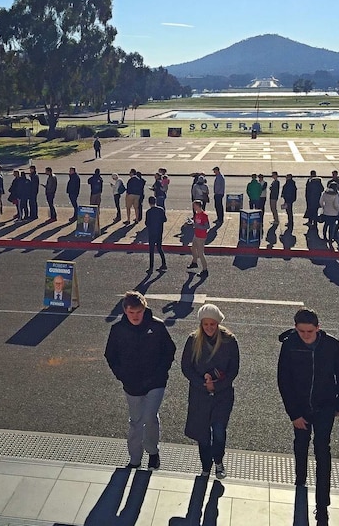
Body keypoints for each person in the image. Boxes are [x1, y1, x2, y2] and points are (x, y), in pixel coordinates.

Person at [277, 308, 339, 525]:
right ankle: (300, 479)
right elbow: (284, 381)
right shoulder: (290, 345)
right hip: (300, 408)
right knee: (301, 444)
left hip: (325, 407)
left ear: (318, 328)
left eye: (309, 331)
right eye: (301, 331)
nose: (306, 335)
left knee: (322, 452)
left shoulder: (331, 345)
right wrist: (294, 414)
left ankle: (322, 505)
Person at [104, 291, 176, 470]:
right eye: (131, 313)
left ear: (144, 309)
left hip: (155, 382)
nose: (135, 316)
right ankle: (135, 459)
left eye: (138, 312)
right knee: (136, 421)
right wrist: (122, 375)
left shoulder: (157, 327)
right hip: (132, 384)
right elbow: (110, 355)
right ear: (125, 311)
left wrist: (161, 373)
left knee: (150, 416)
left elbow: (169, 350)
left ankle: (152, 452)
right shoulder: (118, 330)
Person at [181, 304, 239, 479]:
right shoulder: (193, 340)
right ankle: (206, 466)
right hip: (200, 395)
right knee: (203, 434)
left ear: (218, 323)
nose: (209, 328)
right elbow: (186, 368)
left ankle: (218, 461)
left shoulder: (229, 341)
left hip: (222, 396)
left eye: (212, 324)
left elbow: (233, 370)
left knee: (219, 431)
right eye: (205, 324)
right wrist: (203, 384)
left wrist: (216, 386)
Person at [145, 196, 167, 272]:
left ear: (149, 203)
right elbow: (165, 219)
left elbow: (147, 223)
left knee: (151, 249)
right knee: (159, 248)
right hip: (159, 231)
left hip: (151, 232)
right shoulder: (161, 210)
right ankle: (164, 263)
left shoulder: (148, 212)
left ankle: (151, 267)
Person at [188, 200, 209, 276]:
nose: (193, 207)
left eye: (194, 206)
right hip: (196, 235)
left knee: (200, 253)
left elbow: (207, 226)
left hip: (201, 237)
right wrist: (191, 223)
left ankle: (205, 269)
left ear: (198, 206)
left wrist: (197, 226)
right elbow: (196, 223)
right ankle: (194, 262)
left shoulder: (204, 215)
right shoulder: (197, 214)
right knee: (193, 248)